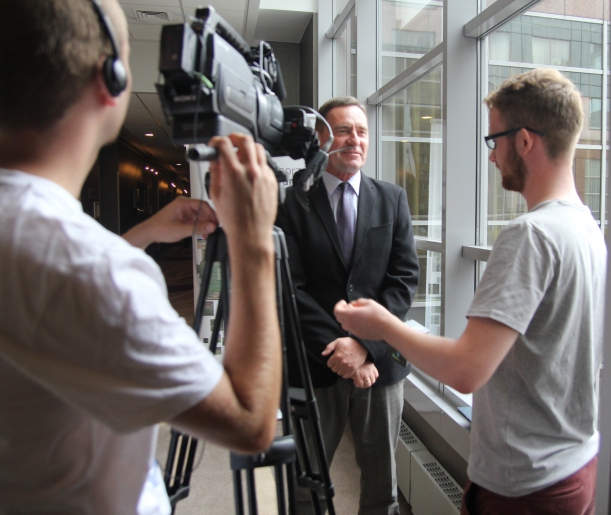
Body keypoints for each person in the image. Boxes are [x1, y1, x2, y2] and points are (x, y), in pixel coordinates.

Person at [0, 1, 282, 514]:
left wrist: (144, 233)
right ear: (109, 79)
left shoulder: (45, 245)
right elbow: (250, 420)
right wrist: (253, 239)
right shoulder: (91, 269)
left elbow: (55, 298)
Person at [335, 68, 606, 515]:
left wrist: (381, 325)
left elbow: (464, 370)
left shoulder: (530, 236)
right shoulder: (586, 226)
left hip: (524, 483)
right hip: (573, 464)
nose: (492, 156)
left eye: (494, 140)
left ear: (524, 141)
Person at [275, 96, 419, 514]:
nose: (355, 139)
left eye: (362, 131)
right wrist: (342, 349)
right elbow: (288, 287)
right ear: (321, 139)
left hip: (380, 366)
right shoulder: (291, 202)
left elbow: (403, 281)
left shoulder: (392, 198)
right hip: (316, 363)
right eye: (343, 130)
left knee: (382, 485)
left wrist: (365, 347)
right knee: (307, 485)